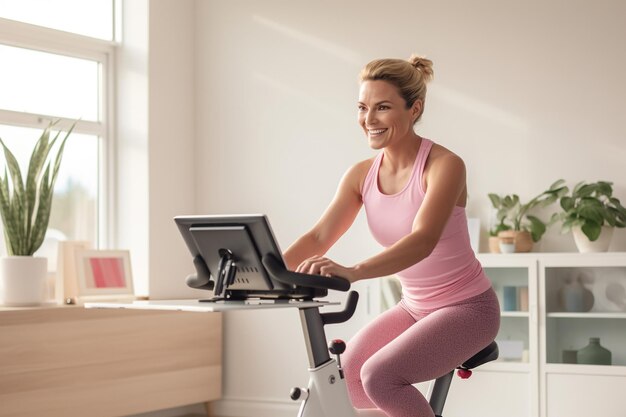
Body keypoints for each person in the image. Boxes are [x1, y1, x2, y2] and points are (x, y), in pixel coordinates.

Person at [282, 54, 500, 417]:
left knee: (379, 376)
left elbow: (423, 240)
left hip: (468, 308)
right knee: (349, 378)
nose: (369, 119)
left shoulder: (445, 166)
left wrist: (353, 271)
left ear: (414, 109)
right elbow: (320, 236)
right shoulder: (361, 175)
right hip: (414, 308)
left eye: (382, 107)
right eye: (362, 107)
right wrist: (262, 273)